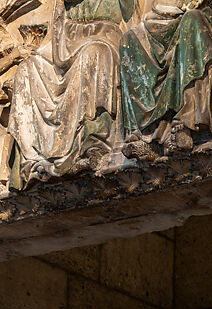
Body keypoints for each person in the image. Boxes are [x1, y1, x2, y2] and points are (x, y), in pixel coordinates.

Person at [7, 0, 133, 187]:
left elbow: (130, 11)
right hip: (66, 44)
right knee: (27, 69)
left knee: (93, 55)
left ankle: (94, 141)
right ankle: (31, 160)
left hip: (102, 36)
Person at [119, 0, 212, 157]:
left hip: (206, 17)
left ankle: (187, 121)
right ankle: (146, 133)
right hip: (170, 21)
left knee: (191, 20)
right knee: (129, 39)